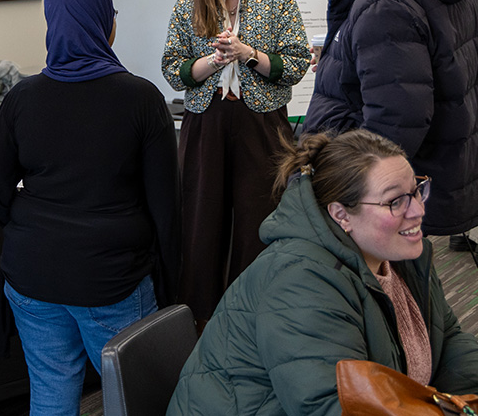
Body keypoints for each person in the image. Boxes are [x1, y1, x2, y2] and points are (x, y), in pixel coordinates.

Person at [168, 129, 478, 415]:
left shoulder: (402, 257)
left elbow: (447, 339)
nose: (418, 210)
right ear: (341, 214)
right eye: (396, 201)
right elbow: (332, 406)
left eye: (417, 190)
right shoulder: (300, 281)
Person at [0, 0, 180, 416]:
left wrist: (38, 226)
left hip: (31, 276)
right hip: (112, 278)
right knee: (136, 399)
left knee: (51, 393)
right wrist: (170, 282)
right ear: (105, 24)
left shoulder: (21, 98)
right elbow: (166, 207)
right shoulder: (142, 99)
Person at [305, 0, 478, 251]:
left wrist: (350, 193)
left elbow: (395, 124)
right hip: (434, 184)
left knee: (390, 306)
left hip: (387, 207)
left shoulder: (386, 5)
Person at [161, 0, 310, 324]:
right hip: (206, 124)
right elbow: (172, 68)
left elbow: (296, 63)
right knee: (201, 221)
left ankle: (253, 314)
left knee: (257, 220)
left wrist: (248, 54)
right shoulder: (190, 1)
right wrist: (213, 60)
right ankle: (197, 317)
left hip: (261, 124)